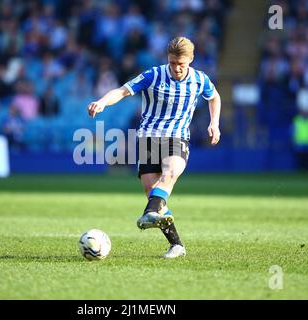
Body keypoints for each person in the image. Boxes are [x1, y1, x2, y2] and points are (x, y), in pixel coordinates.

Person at [87, 37, 222, 259]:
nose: (177, 68)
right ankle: (176, 245)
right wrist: (102, 102)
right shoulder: (154, 75)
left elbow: (214, 97)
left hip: (178, 138)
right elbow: (122, 91)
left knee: (170, 173)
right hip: (149, 138)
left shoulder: (200, 79)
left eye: (182, 64)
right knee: (153, 193)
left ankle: (149, 213)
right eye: (172, 63)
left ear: (191, 59)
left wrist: (214, 123)